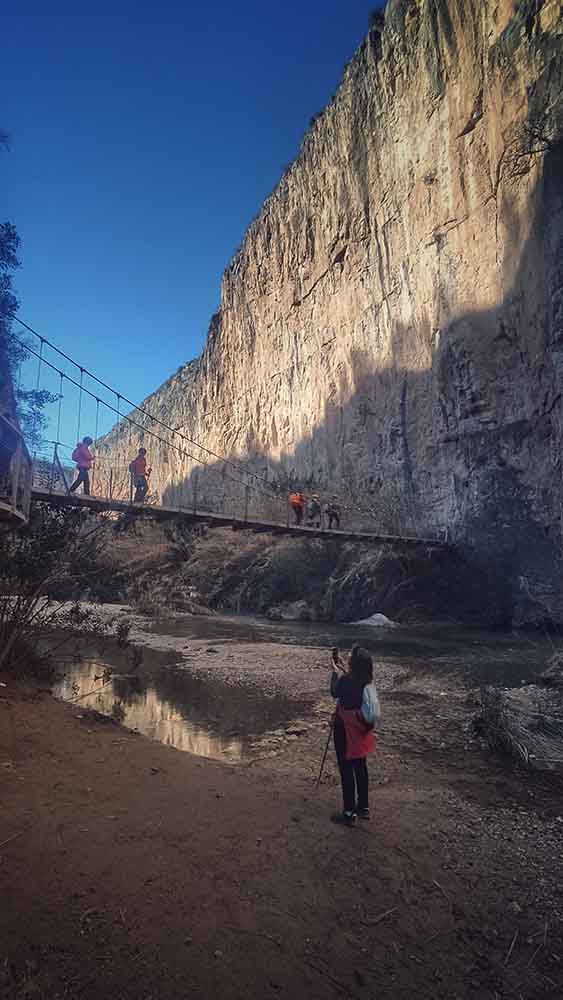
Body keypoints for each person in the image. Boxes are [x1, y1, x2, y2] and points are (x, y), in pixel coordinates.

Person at [330, 644, 380, 826]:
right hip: (362, 729)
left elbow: (335, 691)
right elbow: (351, 681)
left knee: (346, 768)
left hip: (344, 728)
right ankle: (363, 807)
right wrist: (342, 666)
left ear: (355, 663)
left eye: (350, 655)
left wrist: (335, 672)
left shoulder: (345, 681)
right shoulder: (367, 682)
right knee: (360, 765)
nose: (348, 655)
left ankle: (349, 812)